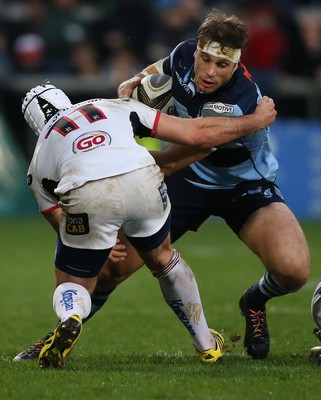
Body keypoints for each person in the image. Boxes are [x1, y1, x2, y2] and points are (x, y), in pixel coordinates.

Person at [13, 7, 293, 363]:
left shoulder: (242, 101)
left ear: (236, 64)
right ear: (196, 49)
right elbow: (163, 66)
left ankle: (254, 300)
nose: (208, 72)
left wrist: (256, 120)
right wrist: (137, 78)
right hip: (187, 177)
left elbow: (201, 141)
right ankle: (63, 336)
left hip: (243, 184)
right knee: (119, 268)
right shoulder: (180, 55)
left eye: (221, 66)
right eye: (204, 59)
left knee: (292, 269)